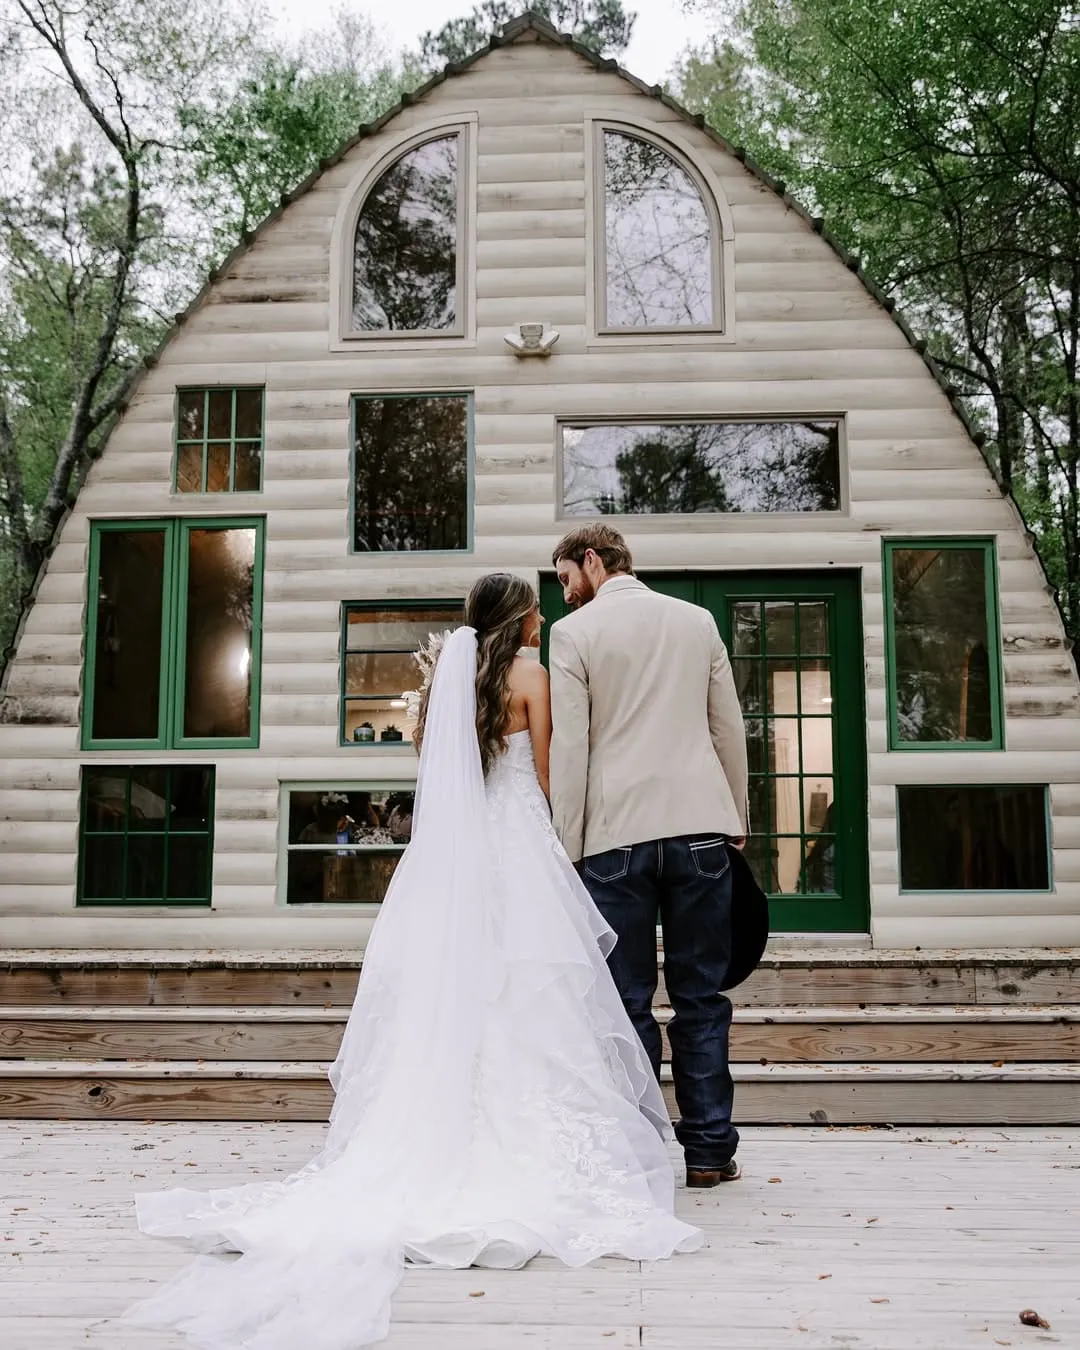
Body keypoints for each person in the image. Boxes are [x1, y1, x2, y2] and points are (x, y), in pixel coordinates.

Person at [122, 572, 701, 1350]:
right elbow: (552, 774)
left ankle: (435, 1135)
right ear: (524, 619)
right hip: (521, 855)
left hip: (456, 866)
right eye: (537, 612)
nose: (543, 620)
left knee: (455, 991)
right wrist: (571, 848)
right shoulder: (533, 678)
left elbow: (438, 770)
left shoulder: (447, 685)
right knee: (531, 993)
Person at [548, 524, 750, 1188]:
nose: (563, 591)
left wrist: (566, 845)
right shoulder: (696, 623)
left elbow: (571, 748)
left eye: (564, 576)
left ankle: (638, 1154)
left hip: (614, 837)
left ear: (594, 560)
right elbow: (729, 727)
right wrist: (736, 817)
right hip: (699, 828)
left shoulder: (573, 636)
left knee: (626, 1001)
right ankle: (711, 1152)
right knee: (701, 997)